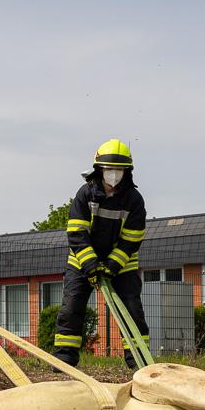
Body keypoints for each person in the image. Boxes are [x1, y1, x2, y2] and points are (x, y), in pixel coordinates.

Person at [53, 139, 148, 369]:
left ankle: (140, 363)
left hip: (121, 263)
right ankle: (63, 362)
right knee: (71, 308)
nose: (114, 175)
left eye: (119, 170)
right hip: (82, 261)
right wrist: (91, 266)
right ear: (99, 170)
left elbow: (131, 240)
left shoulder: (134, 200)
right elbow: (76, 234)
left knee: (132, 309)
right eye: (109, 170)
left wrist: (112, 265)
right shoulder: (84, 195)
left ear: (127, 172)